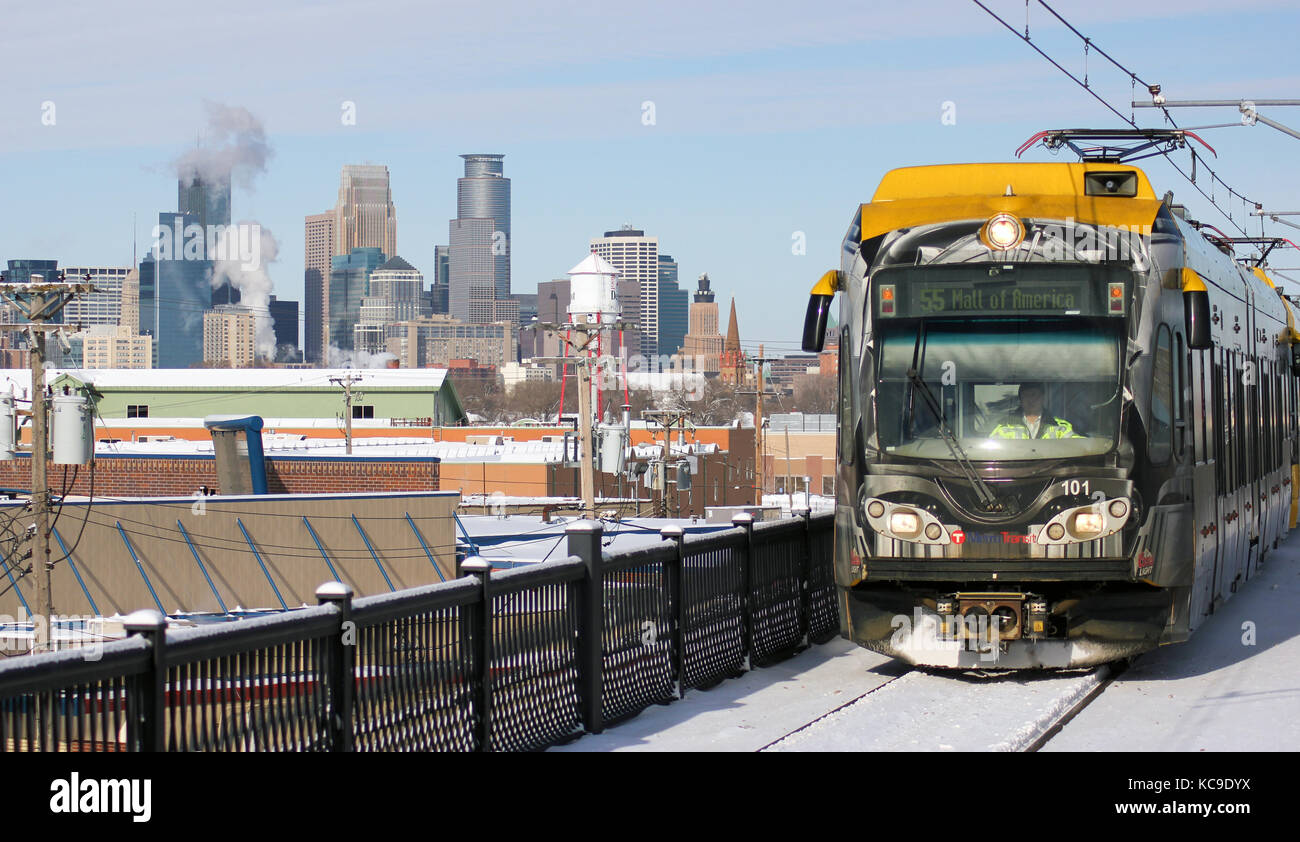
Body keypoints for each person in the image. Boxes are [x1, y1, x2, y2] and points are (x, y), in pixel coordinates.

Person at [989, 383, 1081, 439]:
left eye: (1034, 395)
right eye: (1026, 396)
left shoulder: (1059, 427)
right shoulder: (1005, 426)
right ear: (1021, 400)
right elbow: (991, 452)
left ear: (1042, 398)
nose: (1030, 400)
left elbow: (1080, 446)